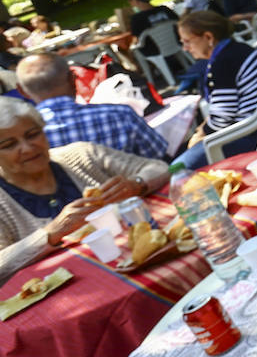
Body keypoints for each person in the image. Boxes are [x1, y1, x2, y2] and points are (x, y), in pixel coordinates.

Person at [0, 96, 169, 283]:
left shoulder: (80, 155)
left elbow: (159, 168)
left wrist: (137, 184)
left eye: (32, 134)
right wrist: (50, 233)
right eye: (9, 145)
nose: (27, 148)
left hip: (141, 265)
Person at [16, 54, 167, 159]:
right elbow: (159, 154)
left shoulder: (24, 142)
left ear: (22, 91)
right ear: (73, 79)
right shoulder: (120, 114)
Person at [171, 11, 257, 169]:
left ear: (208, 38)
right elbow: (223, 109)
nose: (185, 48)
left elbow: (221, 120)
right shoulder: (236, 49)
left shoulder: (223, 63)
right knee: (182, 152)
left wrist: (201, 134)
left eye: (187, 41)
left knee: (178, 167)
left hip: (250, 133)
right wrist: (201, 130)